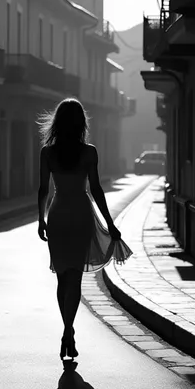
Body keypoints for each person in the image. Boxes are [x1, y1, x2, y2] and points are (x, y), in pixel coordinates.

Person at [36, 98, 132, 360]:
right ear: (81, 123)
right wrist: (110, 223)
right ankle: (69, 332)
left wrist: (41, 219)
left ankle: (67, 330)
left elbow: (44, 189)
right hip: (81, 215)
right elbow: (97, 189)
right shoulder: (89, 152)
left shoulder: (48, 153)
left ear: (56, 122)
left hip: (57, 216)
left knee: (61, 278)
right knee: (75, 277)